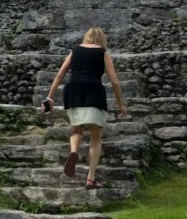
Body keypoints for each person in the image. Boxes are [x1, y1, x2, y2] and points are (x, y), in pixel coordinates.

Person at [42, 27, 127, 189]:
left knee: (76, 130)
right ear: (102, 39)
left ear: (86, 37)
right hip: (94, 92)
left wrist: (49, 98)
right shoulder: (103, 53)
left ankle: (74, 150)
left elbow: (59, 75)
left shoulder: (75, 51)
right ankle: (91, 178)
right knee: (96, 136)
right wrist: (120, 104)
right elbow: (114, 81)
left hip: (74, 91)